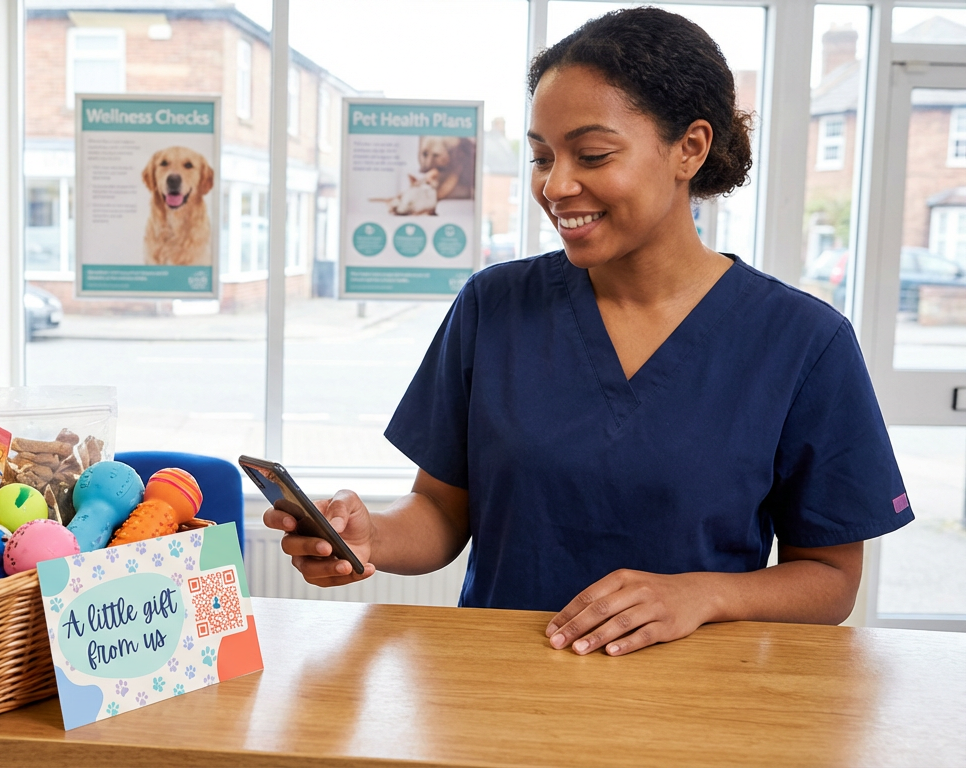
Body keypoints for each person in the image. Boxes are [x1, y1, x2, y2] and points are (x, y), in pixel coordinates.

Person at [264, 7, 914, 657]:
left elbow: (830, 580)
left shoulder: (803, 341)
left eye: (592, 154)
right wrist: (369, 533)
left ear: (690, 147)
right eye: (542, 156)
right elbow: (440, 514)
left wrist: (704, 594)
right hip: (494, 702)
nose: (556, 185)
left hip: (693, 710)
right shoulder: (495, 305)